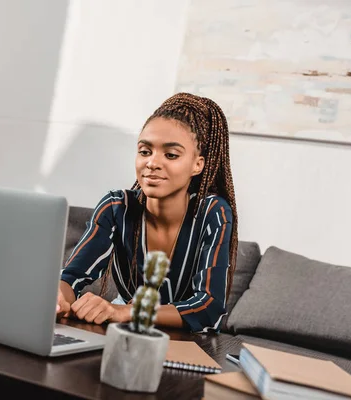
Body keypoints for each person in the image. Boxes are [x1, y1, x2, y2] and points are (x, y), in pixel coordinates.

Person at [57, 92, 238, 333]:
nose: (152, 163)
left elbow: (208, 308)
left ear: (198, 164)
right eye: (145, 151)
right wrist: (59, 299)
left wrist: (123, 311)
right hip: (129, 334)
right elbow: (71, 277)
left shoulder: (213, 213)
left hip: (188, 343)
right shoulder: (117, 208)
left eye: (171, 155)